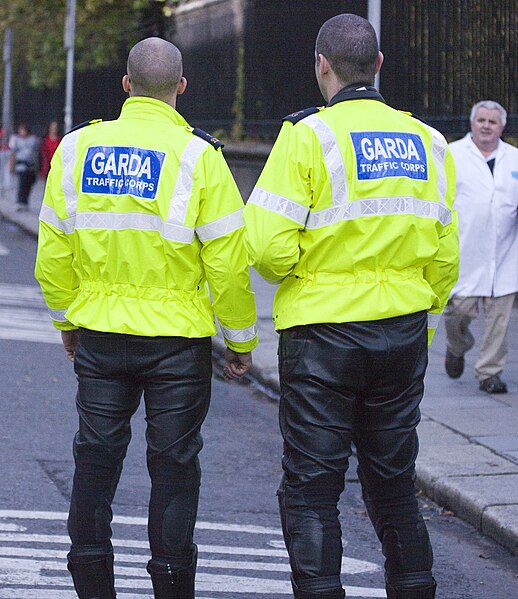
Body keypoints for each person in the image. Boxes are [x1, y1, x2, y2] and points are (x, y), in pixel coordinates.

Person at [244, 13, 458, 599]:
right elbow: (445, 253)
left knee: (313, 486)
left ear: (322, 65)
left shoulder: (308, 136)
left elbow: (264, 246)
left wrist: (306, 275)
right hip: (403, 330)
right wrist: (421, 314)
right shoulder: (430, 142)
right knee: (393, 483)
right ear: (380, 65)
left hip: (323, 334)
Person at [35, 37, 258, 599]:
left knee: (95, 460)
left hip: (102, 336)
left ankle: (91, 584)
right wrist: (240, 340)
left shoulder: (78, 148)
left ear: (126, 84)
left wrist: (68, 323)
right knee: (175, 468)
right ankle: (172, 585)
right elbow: (227, 261)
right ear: (181, 87)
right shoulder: (200, 157)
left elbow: (53, 253)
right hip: (177, 343)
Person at [444, 100, 518, 394]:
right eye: (481, 120)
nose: (486, 125)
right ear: (472, 124)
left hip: (505, 255)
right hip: (466, 255)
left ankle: (489, 374)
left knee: (499, 320)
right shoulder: (452, 156)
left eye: (492, 122)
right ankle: (457, 347)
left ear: (502, 127)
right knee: (457, 314)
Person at [9, 122, 39, 211]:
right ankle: (20, 202)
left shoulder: (33, 139)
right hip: (21, 166)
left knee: (29, 184)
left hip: (30, 166)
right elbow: (13, 153)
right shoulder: (17, 140)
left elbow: (36, 153)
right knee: (22, 184)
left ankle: (25, 201)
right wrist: (11, 165)